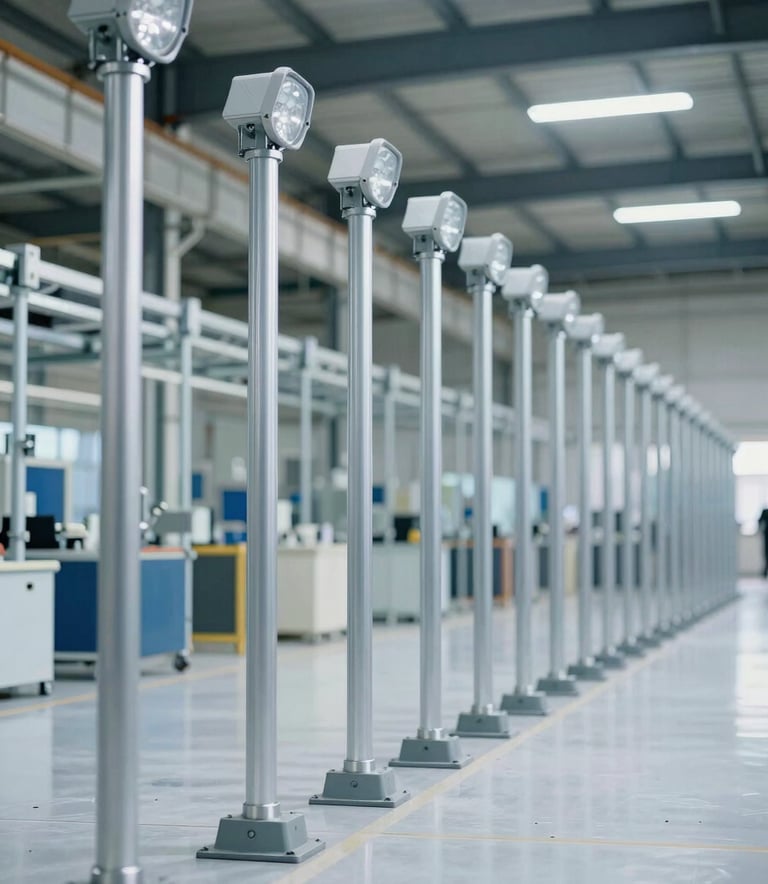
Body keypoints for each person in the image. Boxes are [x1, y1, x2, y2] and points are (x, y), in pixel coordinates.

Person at [760, 507, 768, 578]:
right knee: (766, 553)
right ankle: (765, 571)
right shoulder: (765, 511)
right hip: (766, 535)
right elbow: (760, 521)